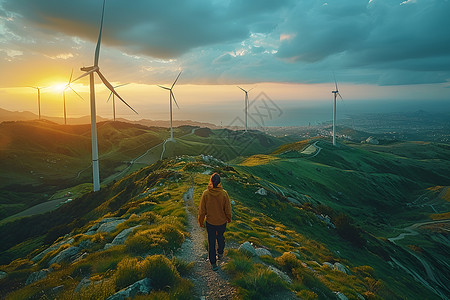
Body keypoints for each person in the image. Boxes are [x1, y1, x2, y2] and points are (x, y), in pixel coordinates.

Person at [198, 173, 232, 271]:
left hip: (210, 222)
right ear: (220, 182)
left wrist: (200, 221)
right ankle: (220, 253)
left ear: (211, 181)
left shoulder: (206, 194)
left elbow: (202, 211)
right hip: (221, 222)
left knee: (211, 242)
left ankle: (213, 263)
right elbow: (228, 209)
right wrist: (229, 218)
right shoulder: (224, 193)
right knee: (220, 237)